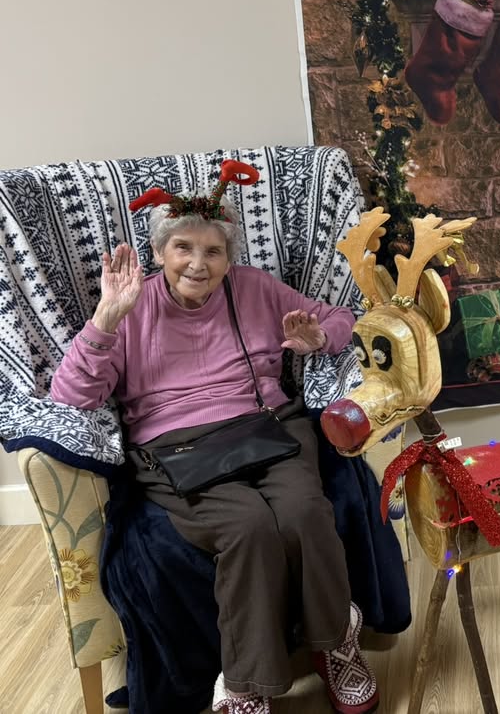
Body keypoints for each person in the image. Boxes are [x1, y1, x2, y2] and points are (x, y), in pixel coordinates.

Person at [50, 161, 380, 714]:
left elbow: (343, 318)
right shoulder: (131, 308)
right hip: (176, 447)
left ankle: (337, 645)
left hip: (267, 426)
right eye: (183, 248)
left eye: (213, 252)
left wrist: (319, 338)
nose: (198, 265)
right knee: (249, 527)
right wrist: (106, 319)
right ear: (160, 252)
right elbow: (71, 397)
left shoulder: (254, 288)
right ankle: (246, 683)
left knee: (304, 513)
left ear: (229, 259)